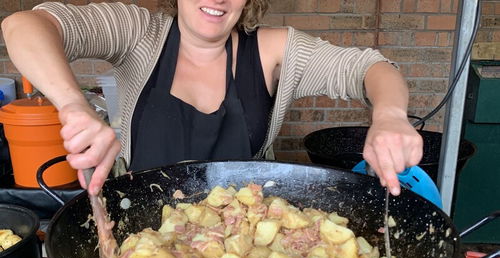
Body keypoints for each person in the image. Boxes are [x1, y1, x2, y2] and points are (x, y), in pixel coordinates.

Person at [1, 0, 422, 197]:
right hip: (141, 223)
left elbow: (370, 67)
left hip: (248, 237)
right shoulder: (136, 32)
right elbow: (24, 24)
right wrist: (73, 104)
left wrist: (388, 115)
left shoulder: (275, 49)